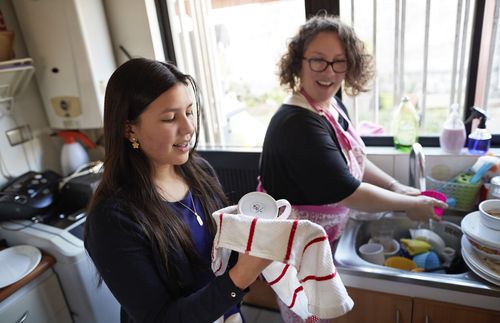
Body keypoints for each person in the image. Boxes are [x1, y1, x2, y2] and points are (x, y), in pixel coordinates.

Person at [259, 14, 447, 322]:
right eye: (318, 61)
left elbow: (352, 159)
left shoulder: (329, 104)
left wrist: (395, 186)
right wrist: (410, 205)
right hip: (299, 247)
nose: (329, 72)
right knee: (307, 312)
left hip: (325, 239)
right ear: (298, 63)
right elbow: (350, 191)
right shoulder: (298, 124)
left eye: (339, 61)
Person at [84, 58, 270, 323]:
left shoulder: (199, 171)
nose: (189, 128)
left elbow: (219, 253)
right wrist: (241, 276)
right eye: (170, 118)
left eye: (190, 112)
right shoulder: (112, 221)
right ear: (130, 130)